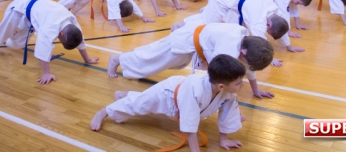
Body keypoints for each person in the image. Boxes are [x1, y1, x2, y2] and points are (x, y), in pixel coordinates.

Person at [91, 54, 245, 152]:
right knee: (139, 105)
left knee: (142, 100)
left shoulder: (228, 94)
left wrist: (223, 139)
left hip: (180, 92)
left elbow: (228, 115)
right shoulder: (195, 91)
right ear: (221, 86)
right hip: (168, 93)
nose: (242, 85)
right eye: (238, 83)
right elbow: (190, 126)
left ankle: (125, 95)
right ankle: (104, 112)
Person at [107, 23, 274, 98]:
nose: (246, 65)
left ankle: (124, 58)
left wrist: (255, 90)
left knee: (154, 54)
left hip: (194, 42)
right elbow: (219, 74)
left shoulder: (246, 41)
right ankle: (117, 59)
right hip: (186, 41)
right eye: (247, 61)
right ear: (243, 53)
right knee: (153, 60)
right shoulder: (229, 48)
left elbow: (248, 69)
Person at [0, 0, 98, 84]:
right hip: (18, 9)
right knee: (3, 33)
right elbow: (43, 49)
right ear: (60, 33)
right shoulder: (50, 28)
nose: (58, 40)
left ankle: (11, 33)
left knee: (16, 44)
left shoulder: (73, 24)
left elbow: (80, 41)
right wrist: (47, 73)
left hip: (32, 16)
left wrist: (87, 59)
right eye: (60, 39)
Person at [175, 0, 301, 66]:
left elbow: (282, 27)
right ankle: (182, 24)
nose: (267, 33)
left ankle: (206, 11)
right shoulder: (258, 20)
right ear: (269, 24)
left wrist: (288, 45)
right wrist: (270, 58)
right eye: (269, 31)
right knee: (209, 25)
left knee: (220, 23)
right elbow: (260, 41)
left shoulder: (275, 11)